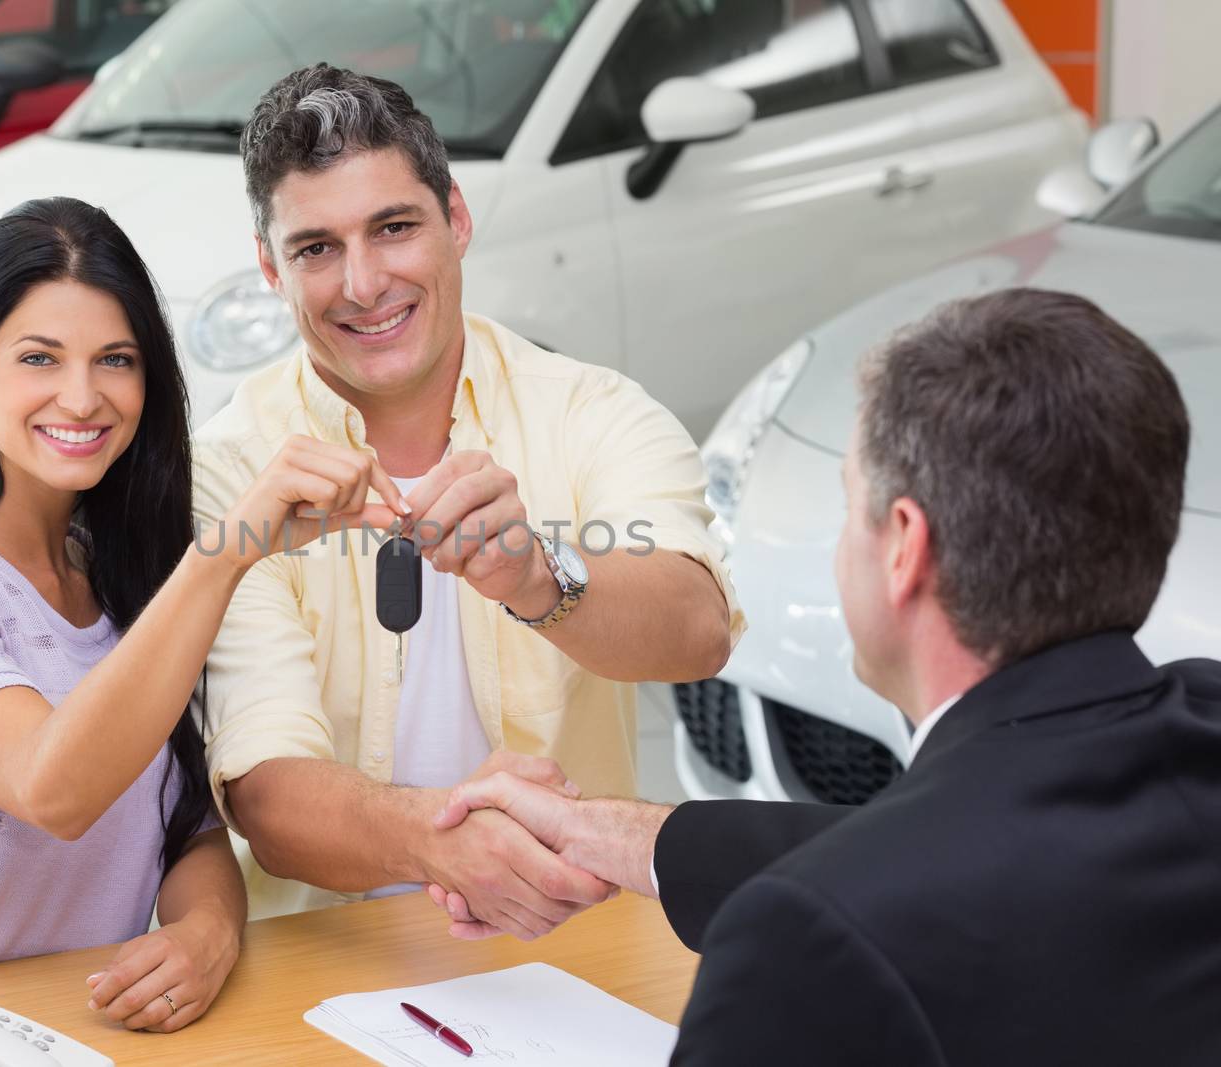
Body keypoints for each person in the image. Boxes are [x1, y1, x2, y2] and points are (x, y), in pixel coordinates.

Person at [432, 288, 1221, 1064]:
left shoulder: (809, 948)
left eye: (852, 507)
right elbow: (968, 847)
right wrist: (608, 831)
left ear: (905, 545)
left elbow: (901, 879)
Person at [0, 197, 406, 1033]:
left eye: (116, 360)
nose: (83, 397)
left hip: (86, 1032)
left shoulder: (122, 564)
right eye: (40, 358)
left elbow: (187, 825)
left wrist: (208, 930)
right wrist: (230, 551)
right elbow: (52, 788)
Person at [190, 63, 744, 930]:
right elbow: (264, 793)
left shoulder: (592, 410)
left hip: (571, 945)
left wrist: (539, 574)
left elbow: (697, 630)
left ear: (457, 220)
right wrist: (441, 841)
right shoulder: (229, 470)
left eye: (395, 227)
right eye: (316, 249)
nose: (364, 283)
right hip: (322, 962)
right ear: (271, 267)